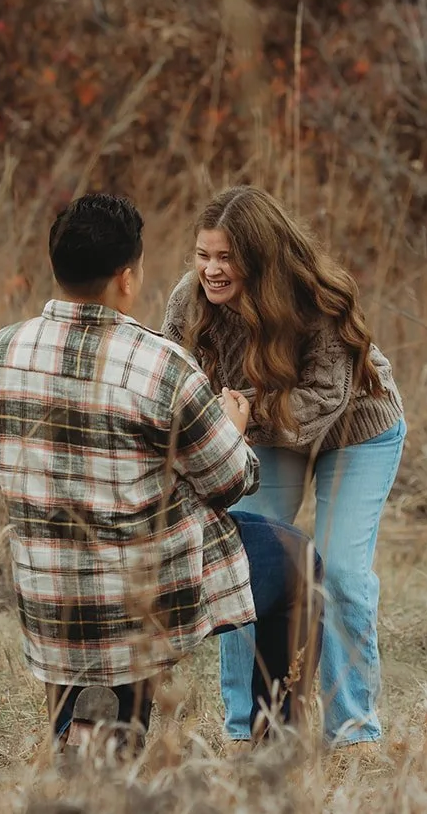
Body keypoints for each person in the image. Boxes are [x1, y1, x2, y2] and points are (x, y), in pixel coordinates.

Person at [0, 192, 321, 754]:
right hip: (145, 590)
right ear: (127, 277)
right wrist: (230, 427)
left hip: (50, 589)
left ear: (57, 267)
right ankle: (274, 744)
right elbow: (231, 483)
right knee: (300, 563)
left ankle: (84, 731)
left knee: (98, 617)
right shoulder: (161, 366)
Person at [164, 186, 405, 750]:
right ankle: (246, 727)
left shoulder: (315, 298)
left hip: (356, 429)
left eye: (226, 258)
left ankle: (353, 732)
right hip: (260, 426)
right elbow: (174, 377)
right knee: (242, 563)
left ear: (260, 256)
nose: (212, 270)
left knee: (341, 572)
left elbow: (323, 399)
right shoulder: (188, 301)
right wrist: (216, 427)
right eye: (203, 255)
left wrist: (236, 419)